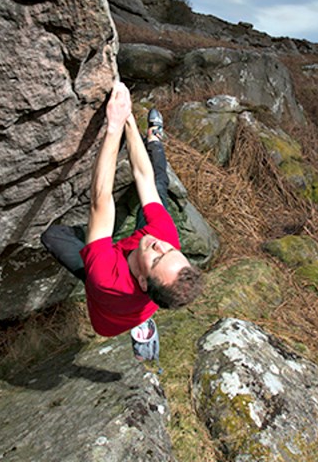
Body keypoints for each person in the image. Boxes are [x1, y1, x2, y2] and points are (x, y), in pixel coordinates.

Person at [41, 81, 203, 352]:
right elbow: (144, 177)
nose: (160, 243)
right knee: (158, 184)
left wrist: (113, 126)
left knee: (53, 236)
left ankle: (98, 250)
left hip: (109, 313)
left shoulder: (106, 278)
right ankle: (155, 140)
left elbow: (100, 200)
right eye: (172, 250)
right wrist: (128, 119)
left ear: (142, 280)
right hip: (137, 280)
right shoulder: (164, 240)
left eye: (159, 256)